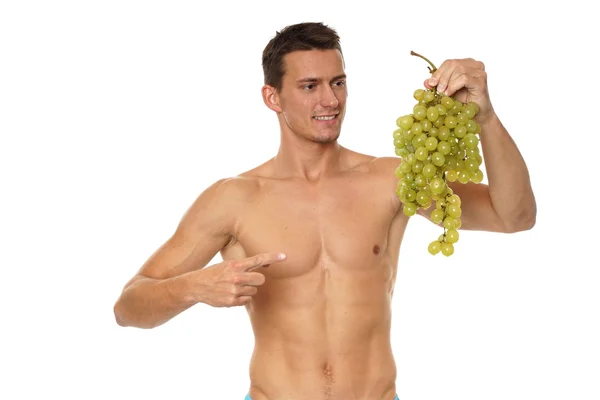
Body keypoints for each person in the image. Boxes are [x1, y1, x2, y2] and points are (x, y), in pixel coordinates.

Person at [113, 22, 536, 400]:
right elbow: (128, 306)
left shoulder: (391, 180)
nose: (330, 100)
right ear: (272, 97)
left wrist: (487, 116)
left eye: (338, 82)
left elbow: (513, 216)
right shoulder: (235, 199)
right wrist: (195, 287)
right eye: (310, 86)